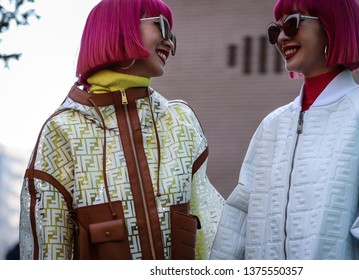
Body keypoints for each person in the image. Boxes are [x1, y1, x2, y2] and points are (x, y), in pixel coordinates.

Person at [19, 0, 223, 260]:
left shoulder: (180, 121)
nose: (170, 43)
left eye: (172, 35)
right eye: (161, 26)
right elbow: (48, 249)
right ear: (119, 28)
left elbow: (211, 234)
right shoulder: (62, 131)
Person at [210, 0, 359, 260]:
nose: (282, 38)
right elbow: (237, 222)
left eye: (292, 23)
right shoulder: (271, 126)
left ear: (333, 25)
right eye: (275, 30)